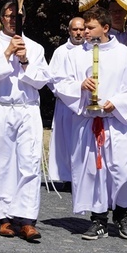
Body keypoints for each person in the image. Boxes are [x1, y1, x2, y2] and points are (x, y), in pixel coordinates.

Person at [53, 6, 127, 240]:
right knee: (93, 173)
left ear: (105, 28)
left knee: (125, 169)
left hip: (117, 123)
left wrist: (116, 102)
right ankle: (98, 220)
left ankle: (121, 212)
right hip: (89, 123)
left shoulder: (125, 54)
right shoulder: (76, 55)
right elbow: (58, 82)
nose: (84, 31)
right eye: (83, 27)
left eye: (90, 27)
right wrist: (79, 86)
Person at [0, 1, 50, 241]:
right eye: (7, 16)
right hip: (1, 108)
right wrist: (7, 54)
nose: (11, 20)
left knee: (28, 163)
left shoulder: (36, 47)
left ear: (23, 19)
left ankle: (27, 218)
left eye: (16, 16)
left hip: (27, 109)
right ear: (1, 18)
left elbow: (42, 81)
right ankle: (5, 216)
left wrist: (25, 61)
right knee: (2, 164)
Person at [47, 16, 86, 184]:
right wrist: (71, 89)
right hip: (65, 104)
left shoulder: (91, 50)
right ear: (69, 31)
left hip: (85, 104)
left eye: (81, 29)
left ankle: (83, 177)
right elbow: (52, 79)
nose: (78, 33)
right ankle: (66, 177)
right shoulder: (61, 52)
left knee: (82, 142)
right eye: (75, 30)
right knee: (64, 142)